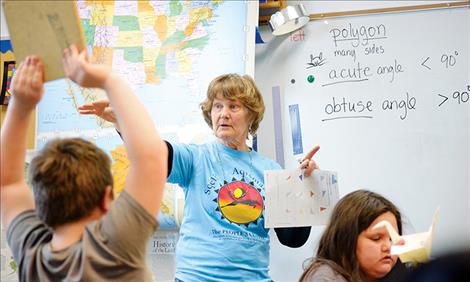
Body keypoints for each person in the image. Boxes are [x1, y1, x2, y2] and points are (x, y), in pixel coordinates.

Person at [78, 73, 320, 281]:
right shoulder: (196, 157)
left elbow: (292, 239)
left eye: (233, 107)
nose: (223, 114)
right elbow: (152, 152)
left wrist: (303, 187)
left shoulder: (271, 170)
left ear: (251, 116)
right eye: (217, 106)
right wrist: (123, 120)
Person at [0, 45, 168, 281]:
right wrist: (107, 79)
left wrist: (19, 103)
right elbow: (151, 157)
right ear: (105, 199)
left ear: (40, 208)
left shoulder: (32, 255)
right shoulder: (114, 247)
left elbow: (8, 184)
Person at [299, 189, 410, 282]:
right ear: (347, 239)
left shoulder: (395, 273)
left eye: (392, 239)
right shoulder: (325, 278)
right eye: (376, 238)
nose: (388, 247)